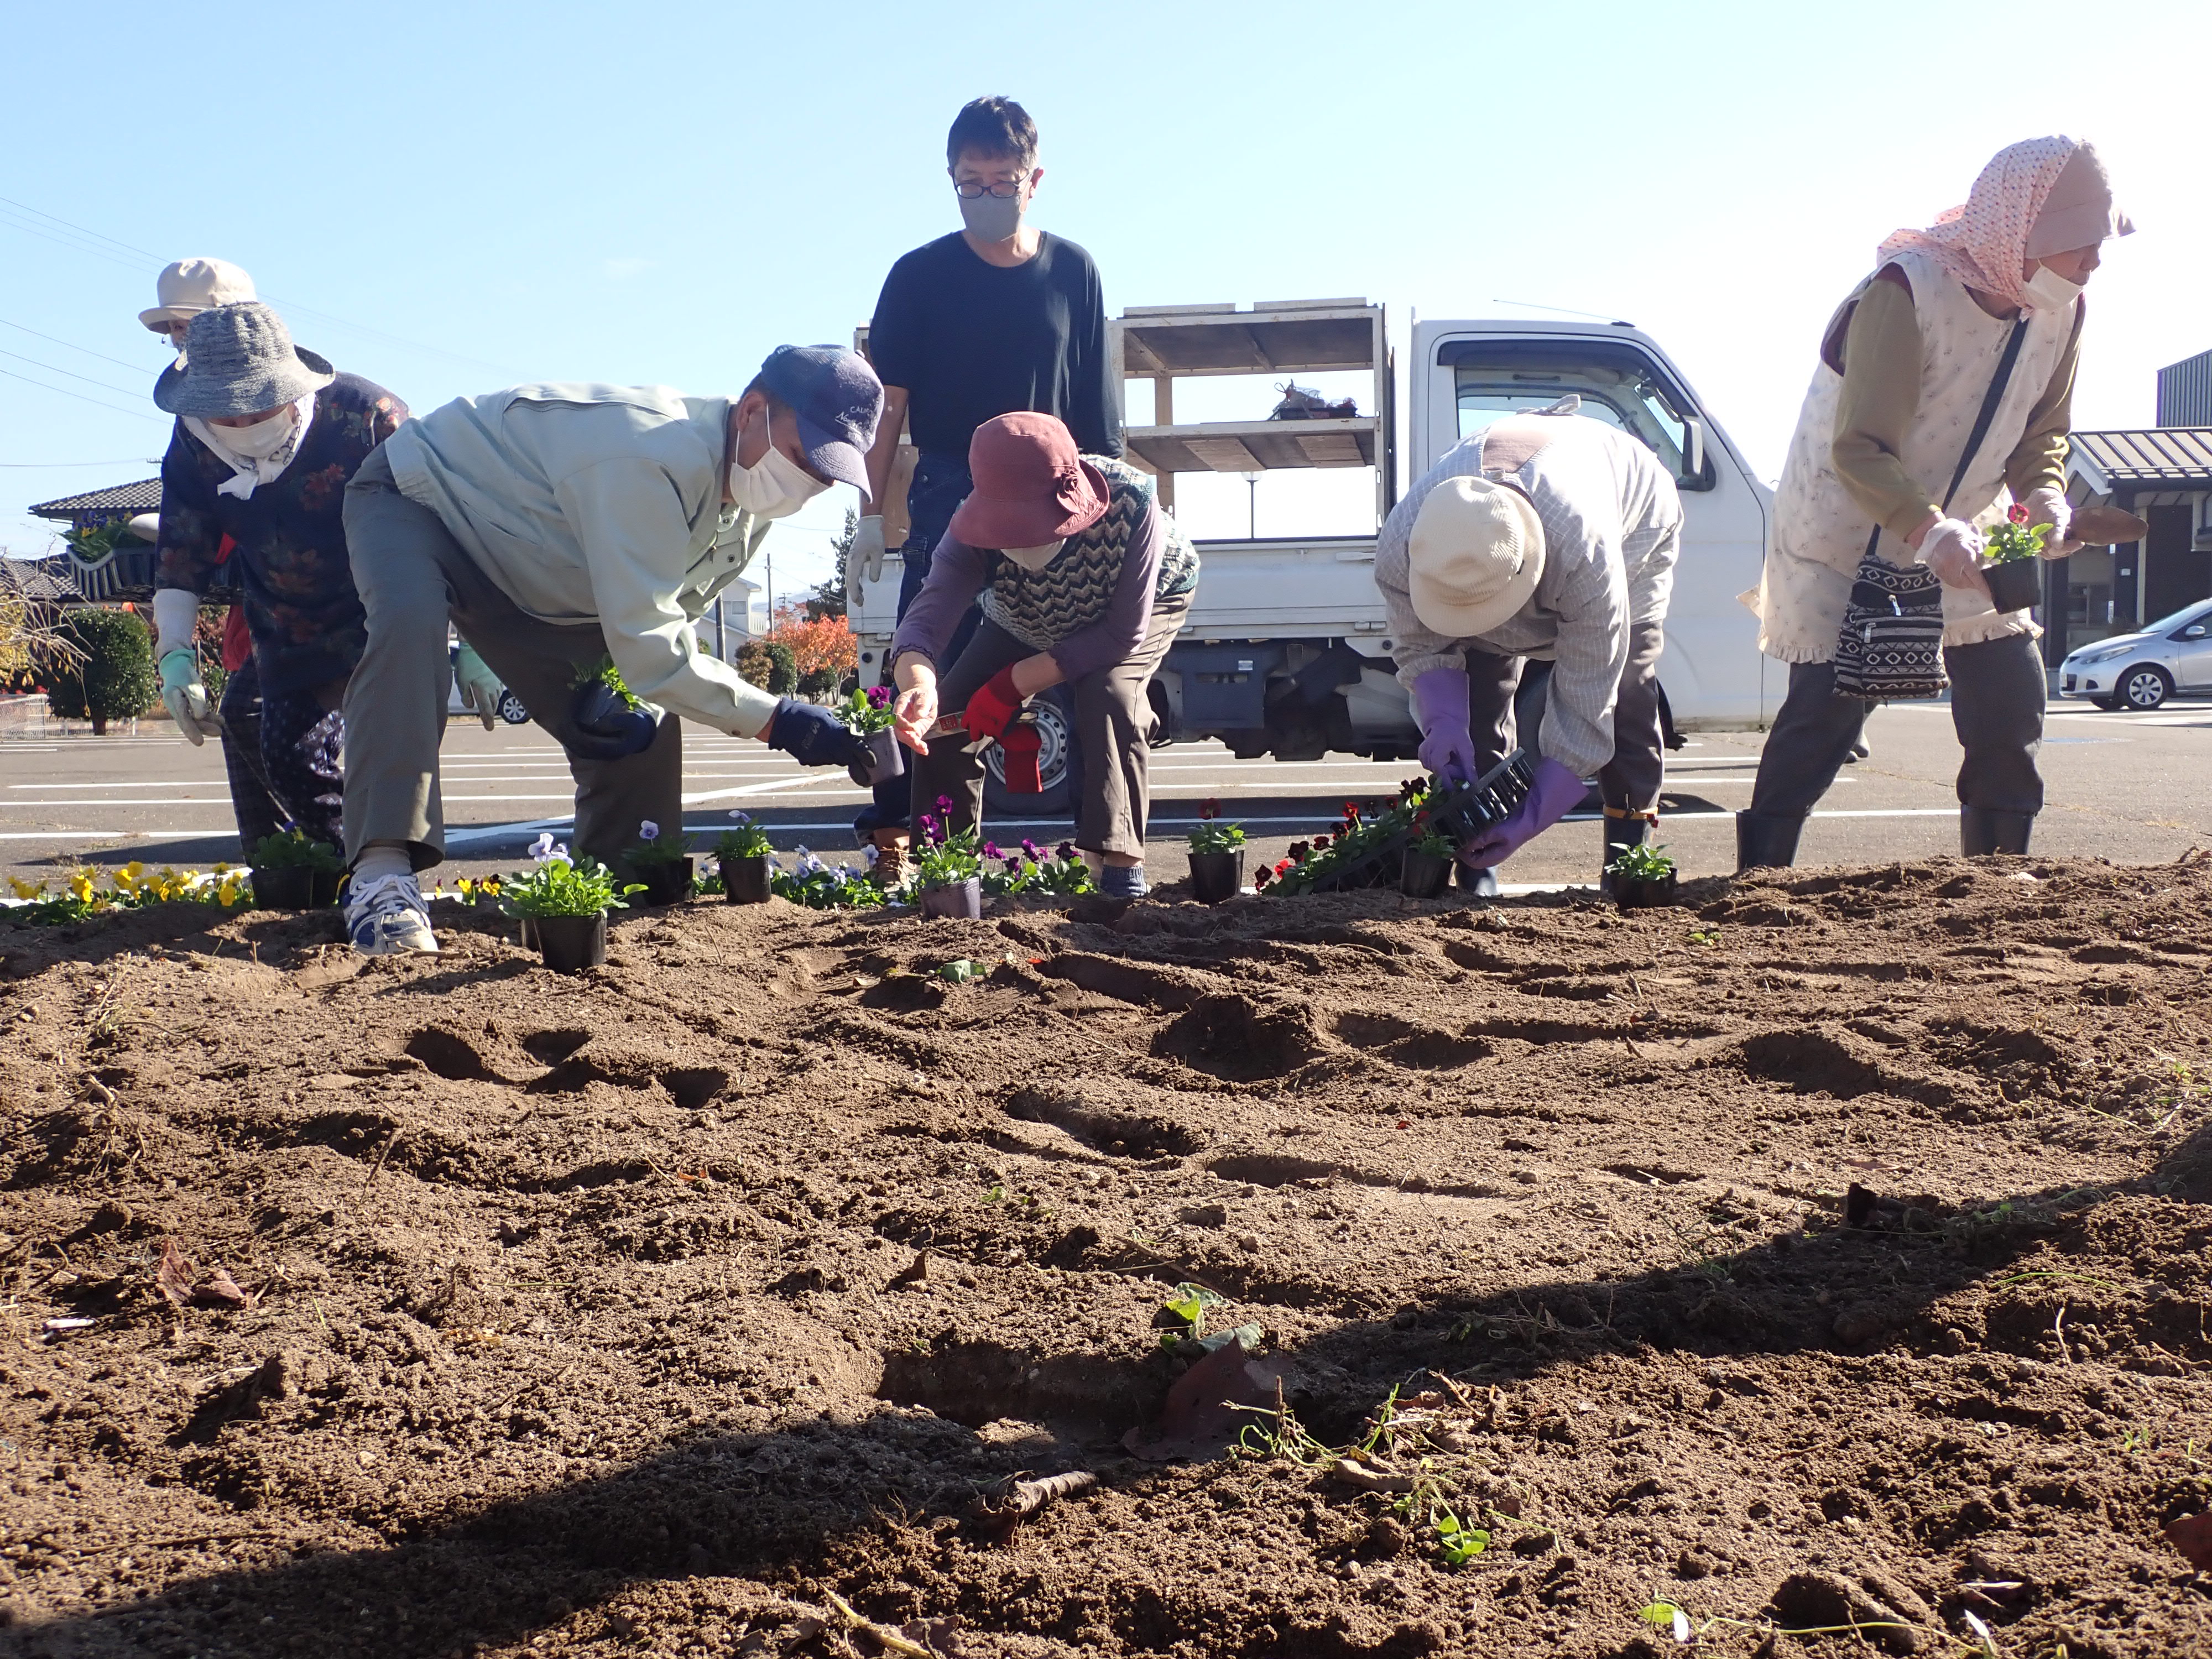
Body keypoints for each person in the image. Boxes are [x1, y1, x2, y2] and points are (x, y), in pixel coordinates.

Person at [337, 346, 882, 956]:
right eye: (806, 457)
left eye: (827, 476)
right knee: (408, 630)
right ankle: (380, 878)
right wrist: (782, 721)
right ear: (752, 410)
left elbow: (671, 623)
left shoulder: (749, 504)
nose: (809, 485)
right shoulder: (645, 455)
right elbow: (657, 653)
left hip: (537, 559)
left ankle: (620, 891)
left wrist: (617, 682)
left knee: (637, 720)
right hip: (421, 499)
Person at [1738, 136, 2131, 868]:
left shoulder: (2063, 311)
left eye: (2099, 245)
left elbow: (2043, 431)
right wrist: (1926, 527)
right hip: (1850, 524)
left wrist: (2044, 496)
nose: (2094, 263)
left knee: (2010, 702)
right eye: (2079, 245)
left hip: (1971, 523)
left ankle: (1996, 877)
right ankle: (1761, 880)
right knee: (1827, 709)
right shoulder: (1906, 290)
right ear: (2020, 233)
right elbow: (1858, 448)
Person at [851, 95, 1121, 879]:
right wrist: (873, 513)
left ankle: (1107, 857)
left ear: (1034, 179)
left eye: (1001, 182)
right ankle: (921, 852)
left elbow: (1099, 414)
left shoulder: (1073, 271)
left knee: (1087, 666)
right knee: (931, 663)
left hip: (1060, 497)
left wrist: (1115, 508)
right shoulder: (919, 276)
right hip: (951, 496)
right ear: (951, 180)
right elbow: (887, 405)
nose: (986, 197)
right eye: (969, 183)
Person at [888, 413, 1195, 899]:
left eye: (1034, 525)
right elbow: (923, 624)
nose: (1023, 541)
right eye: (1009, 530)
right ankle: (948, 871)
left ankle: (1117, 868)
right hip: (1024, 616)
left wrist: (1012, 686)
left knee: (1110, 696)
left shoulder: (1133, 502)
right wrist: (919, 685)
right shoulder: (968, 529)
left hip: (1135, 612)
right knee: (947, 719)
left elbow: (1121, 633)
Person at [1376, 404, 1683, 892]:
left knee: (1626, 693)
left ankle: (1628, 866)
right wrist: (1444, 720)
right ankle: (1477, 868)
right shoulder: (1407, 540)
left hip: (1633, 513)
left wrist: (1533, 816)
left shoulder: (1586, 554)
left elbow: (1588, 698)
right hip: (1525, 520)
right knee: (1477, 702)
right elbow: (1419, 641)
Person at [150, 302, 409, 853]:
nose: (242, 425)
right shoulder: (194, 440)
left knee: (396, 763)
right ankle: (352, 866)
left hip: (391, 613)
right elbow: (182, 548)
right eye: (227, 413)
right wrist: (173, 653)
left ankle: (389, 869)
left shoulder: (368, 417)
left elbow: (443, 522)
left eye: (258, 407)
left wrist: (476, 639)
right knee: (289, 757)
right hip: (289, 626)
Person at [139, 258, 289, 852]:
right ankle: (283, 868)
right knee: (251, 721)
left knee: (287, 726)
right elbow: (186, 532)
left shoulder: (341, 411)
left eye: (187, 324)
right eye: (171, 330)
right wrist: (174, 653)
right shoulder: (191, 425)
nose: (178, 340)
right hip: (263, 604)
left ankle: (361, 865)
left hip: (353, 600)